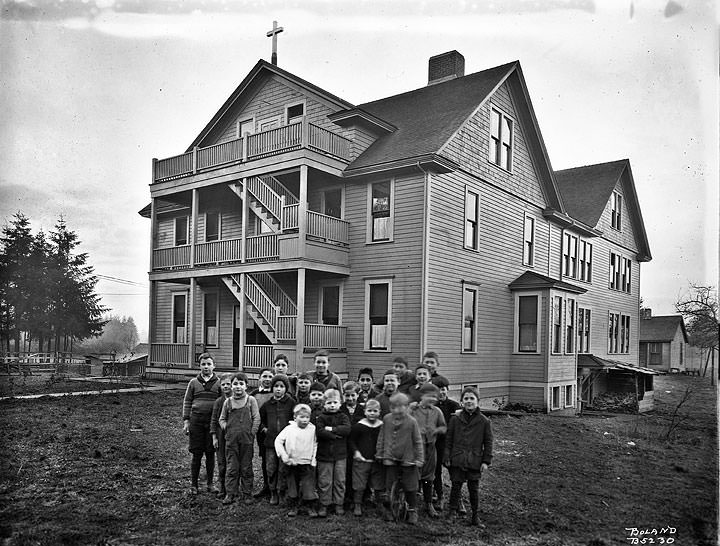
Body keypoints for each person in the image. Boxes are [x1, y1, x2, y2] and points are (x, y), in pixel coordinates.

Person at [444, 386, 493, 527]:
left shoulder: (484, 421)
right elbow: (449, 439)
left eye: (472, 398)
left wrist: (486, 461)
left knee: (473, 489)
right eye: (466, 398)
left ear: (478, 401)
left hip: (474, 460)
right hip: (458, 458)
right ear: (461, 401)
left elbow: (488, 442)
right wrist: (447, 456)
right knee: (456, 486)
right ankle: (452, 512)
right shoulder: (455, 419)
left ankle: (475, 516)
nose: (469, 401)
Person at [375, 393, 424, 525]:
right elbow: (381, 437)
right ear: (390, 408)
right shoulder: (386, 419)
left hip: (408, 457)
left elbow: (418, 441)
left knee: (410, 485)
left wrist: (419, 458)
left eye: (401, 407)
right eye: (394, 407)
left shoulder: (412, 422)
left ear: (407, 407)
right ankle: (389, 509)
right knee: (389, 484)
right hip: (390, 456)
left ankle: (412, 510)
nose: (397, 410)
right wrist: (380, 453)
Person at [182, 352, 222, 495]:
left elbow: (223, 402)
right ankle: (194, 485)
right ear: (199, 366)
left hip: (212, 423)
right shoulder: (193, 383)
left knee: (211, 454)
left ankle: (210, 484)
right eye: (203, 364)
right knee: (197, 454)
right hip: (196, 422)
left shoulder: (219, 383)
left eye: (209, 364)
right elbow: (187, 401)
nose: (206, 367)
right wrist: (186, 420)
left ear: (214, 366)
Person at [219, 372, 260, 505]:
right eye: (235, 384)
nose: (238, 386)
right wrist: (227, 428)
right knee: (232, 467)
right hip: (231, 441)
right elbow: (222, 419)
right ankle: (231, 493)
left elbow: (256, 418)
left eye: (241, 384)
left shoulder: (250, 400)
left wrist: (252, 432)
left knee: (246, 467)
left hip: (247, 441)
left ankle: (247, 493)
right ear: (231, 386)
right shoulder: (228, 402)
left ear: (246, 386)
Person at [274, 404, 319, 518]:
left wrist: (313, 459)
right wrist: (284, 456)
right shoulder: (289, 429)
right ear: (295, 417)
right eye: (301, 417)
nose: (305, 420)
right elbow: (278, 441)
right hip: (292, 462)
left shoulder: (312, 429)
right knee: (292, 485)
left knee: (308, 485)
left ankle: (310, 506)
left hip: (306, 463)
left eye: (307, 417)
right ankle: (293, 506)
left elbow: (315, 444)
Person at [410, 383, 446, 518]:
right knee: (413, 476)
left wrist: (436, 430)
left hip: (431, 448)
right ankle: (412, 506)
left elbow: (443, 427)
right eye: (429, 396)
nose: (432, 399)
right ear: (421, 396)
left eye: (434, 397)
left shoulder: (437, 412)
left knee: (428, 477)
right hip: (415, 449)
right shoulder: (413, 409)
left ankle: (428, 503)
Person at [259, 374, 296, 505]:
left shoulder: (291, 403)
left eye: (281, 386)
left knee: (283, 468)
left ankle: (282, 492)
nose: (278, 389)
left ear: (286, 388)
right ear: (272, 388)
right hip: (270, 443)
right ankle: (273, 491)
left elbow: (295, 419)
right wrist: (264, 428)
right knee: (271, 467)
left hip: (286, 444)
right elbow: (260, 420)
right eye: (276, 386)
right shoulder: (267, 405)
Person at [315, 389, 351, 517]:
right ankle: (324, 504)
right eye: (329, 403)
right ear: (324, 404)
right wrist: (335, 436)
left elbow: (346, 429)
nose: (332, 405)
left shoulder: (343, 416)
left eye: (335, 402)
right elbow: (319, 432)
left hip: (340, 455)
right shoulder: (321, 417)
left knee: (340, 480)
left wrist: (331, 429)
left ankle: (338, 503)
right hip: (324, 455)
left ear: (340, 403)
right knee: (325, 481)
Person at [348, 398, 384, 517]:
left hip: (377, 460)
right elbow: (351, 440)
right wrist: (356, 452)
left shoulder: (381, 426)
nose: (372, 413)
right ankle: (357, 503)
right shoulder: (359, 426)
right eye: (369, 411)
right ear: (364, 411)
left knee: (378, 482)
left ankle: (379, 503)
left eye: (375, 411)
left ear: (379, 412)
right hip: (362, 459)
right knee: (359, 482)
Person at [434, 379, 460, 509]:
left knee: (454, 472)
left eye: (443, 389)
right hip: (436, 444)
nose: (441, 392)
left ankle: (457, 500)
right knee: (436, 471)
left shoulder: (454, 405)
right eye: (438, 389)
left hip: (451, 445)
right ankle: (440, 496)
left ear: (447, 390)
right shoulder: (432, 406)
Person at [250, 367, 275, 499]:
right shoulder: (254, 394)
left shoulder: (276, 393)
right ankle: (266, 485)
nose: (267, 379)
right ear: (259, 378)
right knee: (265, 458)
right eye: (264, 376)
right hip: (261, 432)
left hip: (275, 431)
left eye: (270, 377)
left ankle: (275, 488)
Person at [210, 373, 233, 499]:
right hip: (221, 435)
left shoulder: (238, 400)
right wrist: (214, 437)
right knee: (222, 463)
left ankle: (233, 488)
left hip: (234, 436)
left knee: (233, 463)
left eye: (228, 384)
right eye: (223, 384)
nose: (226, 387)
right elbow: (214, 420)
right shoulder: (219, 402)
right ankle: (222, 488)